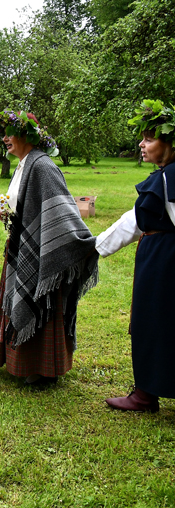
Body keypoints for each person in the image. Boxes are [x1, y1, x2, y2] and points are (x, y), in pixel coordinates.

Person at [0, 110, 98, 385]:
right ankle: (22, 362)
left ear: (27, 135)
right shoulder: (23, 165)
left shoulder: (43, 167)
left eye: (10, 134)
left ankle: (43, 369)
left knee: (41, 302)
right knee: (19, 298)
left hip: (41, 250)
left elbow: (62, 211)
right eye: (2, 134)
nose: (5, 139)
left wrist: (76, 240)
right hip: (22, 246)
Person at [97, 100, 175, 411]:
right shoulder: (164, 175)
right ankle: (146, 391)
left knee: (160, 320)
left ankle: (145, 395)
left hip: (167, 263)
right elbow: (134, 220)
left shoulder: (172, 177)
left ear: (170, 143)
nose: (142, 145)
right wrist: (97, 246)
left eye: (149, 139)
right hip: (157, 259)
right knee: (150, 320)